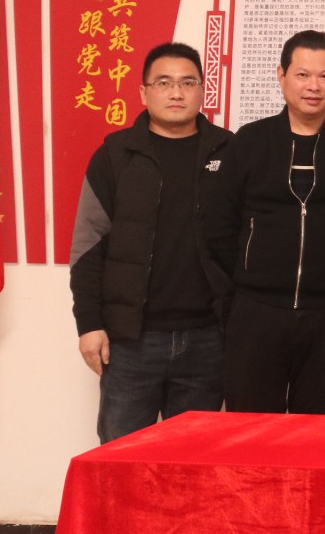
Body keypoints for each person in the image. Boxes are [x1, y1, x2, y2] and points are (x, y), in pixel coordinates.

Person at [205, 29, 325, 414]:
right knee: (250, 425)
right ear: (282, 75)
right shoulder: (250, 141)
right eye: (302, 74)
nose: (314, 86)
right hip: (255, 311)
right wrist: (246, 275)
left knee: (318, 425)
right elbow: (219, 222)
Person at [69, 42, 233, 442]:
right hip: (131, 341)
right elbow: (88, 245)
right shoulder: (114, 155)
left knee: (192, 460)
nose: (176, 92)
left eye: (187, 82)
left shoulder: (230, 152)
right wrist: (89, 324)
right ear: (143, 92)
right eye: (164, 82)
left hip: (208, 339)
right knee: (121, 458)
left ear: (202, 90)